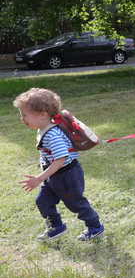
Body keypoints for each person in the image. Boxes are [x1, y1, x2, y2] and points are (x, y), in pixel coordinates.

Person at [14, 88, 105, 242]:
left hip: (67, 176)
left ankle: (95, 227)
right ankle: (56, 228)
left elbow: (60, 159)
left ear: (43, 115)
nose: (21, 119)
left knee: (76, 204)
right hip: (54, 176)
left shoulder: (52, 135)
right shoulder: (43, 129)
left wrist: (39, 178)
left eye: (24, 115)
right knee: (42, 201)